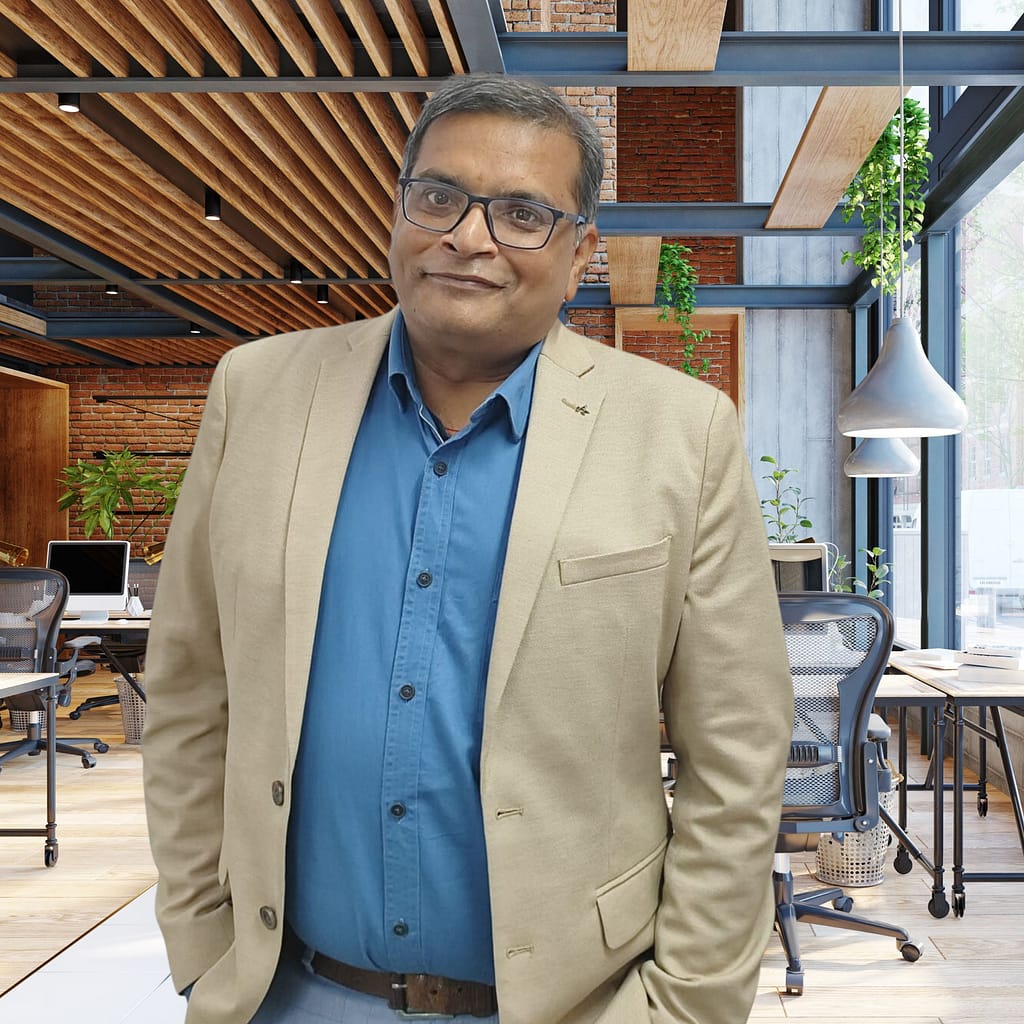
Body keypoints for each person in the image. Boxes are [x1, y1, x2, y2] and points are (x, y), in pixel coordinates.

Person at [142, 72, 793, 1024]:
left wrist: (688, 1002)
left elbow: (737, 750)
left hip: (580, 1002)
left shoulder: (681, 431)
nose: (469, 237)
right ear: (400, 211)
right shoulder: (257, 392)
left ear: (581, 253)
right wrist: (203, 945)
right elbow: (189, 689)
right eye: (440, 196)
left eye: (524, 214)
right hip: (293, 992)